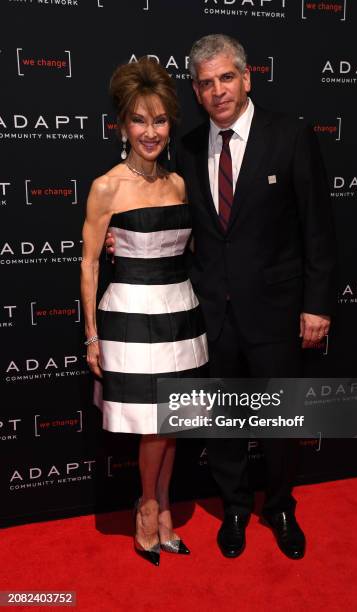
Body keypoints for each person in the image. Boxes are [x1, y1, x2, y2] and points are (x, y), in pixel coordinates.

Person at [107, 34, 337, 561]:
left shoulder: (292, 136)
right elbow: (149, 197)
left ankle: (279, 506)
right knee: (225, 422)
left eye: (226, 78)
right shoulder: (185, 148)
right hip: (208, 312)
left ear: (247, 77)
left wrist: (318, 305)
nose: (218, 91)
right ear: (195, 89)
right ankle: (233, 506)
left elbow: (318, 230)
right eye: (206, 83)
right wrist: (117, 230)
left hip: (278, 311)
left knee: (280, 420)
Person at [80, 58, 208, 566]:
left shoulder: (179, 184)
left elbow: (192, 247)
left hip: (179, 314)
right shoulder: (106, 187)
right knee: (154, 425)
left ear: (170, 124)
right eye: (139, 120)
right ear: (121, 125)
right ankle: (149, 508)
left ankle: (163, 507)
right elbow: (90, 263)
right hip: (131, 316)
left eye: (159, 120)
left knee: (170, 422)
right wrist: (91, 337)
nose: (150, 132)